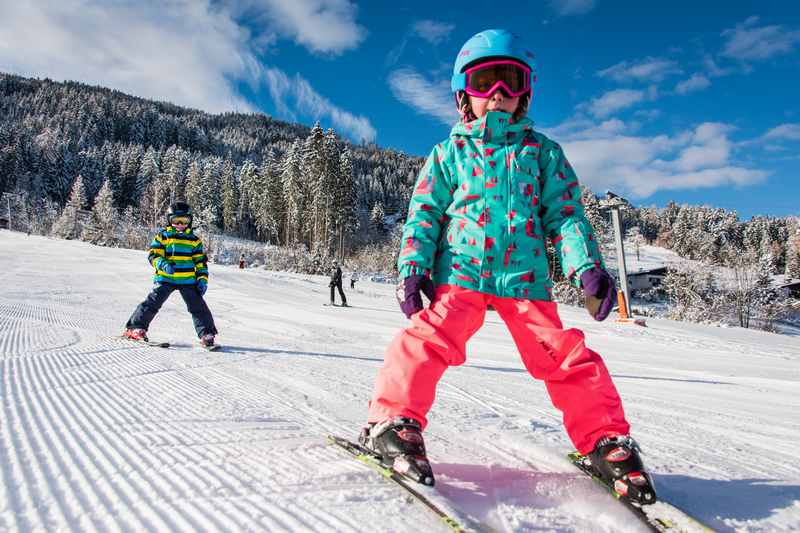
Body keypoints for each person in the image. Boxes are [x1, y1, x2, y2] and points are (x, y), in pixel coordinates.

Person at [358, 29, 655, 504]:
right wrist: (413, 265)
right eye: (485, 81)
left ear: (526, 93)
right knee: (427, 340)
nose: (498, 93)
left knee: (564, 355)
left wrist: (587, 268)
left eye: (510, 81)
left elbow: (566, 216)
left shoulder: (542, 152)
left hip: (525, 278)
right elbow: (424, 213)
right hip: (461, 272)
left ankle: (605, 440)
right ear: (463, 95)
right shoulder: (448, 153)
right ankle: (393, 420)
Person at [123, 201, 218, 347]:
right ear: (169, 220)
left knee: (198, 307)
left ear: (190, 221)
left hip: (187, 280)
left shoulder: (194, 240)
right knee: (152, 303)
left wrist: (202, 279)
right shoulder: (163, 237)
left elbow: (200, 262)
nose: (180, 224)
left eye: (184, 221)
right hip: (166, 278)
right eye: (176, 220)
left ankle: (207, 334)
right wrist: (162, 264)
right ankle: (136, 328)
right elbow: (153, 255)